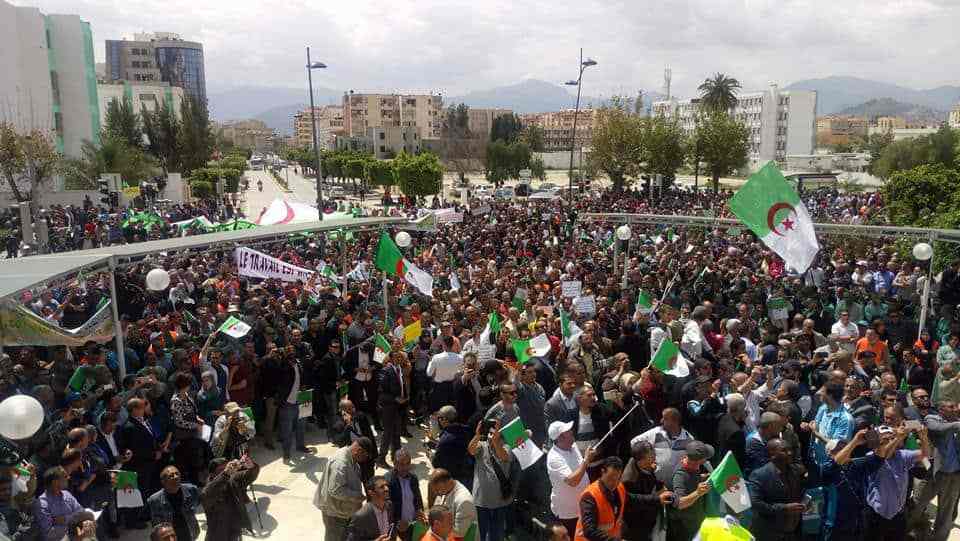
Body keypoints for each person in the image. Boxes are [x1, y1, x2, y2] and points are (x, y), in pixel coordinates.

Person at [865, 410, 930, 541]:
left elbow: (924, 455)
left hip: (898, 514)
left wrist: (923, 437)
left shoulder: (902, 455)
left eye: (891, 437)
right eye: (885, 439)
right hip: (877, 514)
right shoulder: (871, 458)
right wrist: (898, 437)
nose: (889, 441)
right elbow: (883, 456)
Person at [913, 400, 960, 541]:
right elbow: (938, 429)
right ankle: (910, 531)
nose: (955, 409)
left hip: (954, 475)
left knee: (946, 512)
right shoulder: (932, 418)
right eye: (951, 406)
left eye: (956, 407)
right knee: (918, 504)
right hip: (934, 473)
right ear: (941, 409)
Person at [316, 438, 377, 541]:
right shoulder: (341, 463)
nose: (365, 459)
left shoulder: (351, 458)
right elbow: (335, 490)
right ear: (359, 450)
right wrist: (357, 497)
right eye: (365, 456)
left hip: (343, 511)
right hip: (335, 514)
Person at [467, 418, 518, 541]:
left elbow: (503, 456)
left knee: (497, 533)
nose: (491, 431)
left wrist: (495, 441)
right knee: (481, 534)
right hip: (481, 501)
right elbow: (471, 450)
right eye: (489, 427)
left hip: (499, 501)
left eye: (495, 428)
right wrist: (477, 435)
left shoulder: (508, 445)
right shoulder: (481, 445)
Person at [746, 438, 806, 541]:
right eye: (784, 450)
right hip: (768, 534)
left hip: (792, 533)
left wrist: (803, 504)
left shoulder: (796, 471)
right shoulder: (759, 475)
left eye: (790, 449)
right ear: (772, 454)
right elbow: (756, 504)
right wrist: (784, 508)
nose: (790, 453)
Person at [546, 421, 596, 538]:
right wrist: (586, 460)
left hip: (582, 509)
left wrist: (587, 459)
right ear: (561, 437)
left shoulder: (573, 446)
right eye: (568, 431)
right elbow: (572, 481)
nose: (572, 431)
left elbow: (580, 468)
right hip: (568, 514)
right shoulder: (554, 458)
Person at [621, 439, 674, 541]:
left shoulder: (646, 466)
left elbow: (651, 478)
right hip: (638, 526)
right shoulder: (629, 480)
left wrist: (660, 486)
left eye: (653, 453)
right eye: (651, 456)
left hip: (651, 518)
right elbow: (633, 502)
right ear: (641, 461)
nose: (654, 457)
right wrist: (657, 497)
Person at [200, 454, 260, 541]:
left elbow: (249, 475)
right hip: (218, 533)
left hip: (234, 527)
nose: (228, 471)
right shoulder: (209, 488)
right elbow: (206, 494)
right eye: (222, 470)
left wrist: (252, 466)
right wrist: (225, 474)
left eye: (227, 468)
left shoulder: (232, 480)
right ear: (212, 474)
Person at [666, 441, 714, 541]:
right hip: (685, 526)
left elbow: (692, 479)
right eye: (704, 458)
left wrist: (703, 478)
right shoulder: (680, 476)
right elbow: (680, 503)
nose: (706, 460)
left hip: (697, 519)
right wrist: (698, 493)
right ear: (698, 461)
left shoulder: (693, 467)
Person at [32, 467, 87, 541]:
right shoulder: (41, 504)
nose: (68, 477)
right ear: (55, 482)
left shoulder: (67, 494)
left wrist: (65, 519)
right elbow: (49, 533)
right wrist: (75, 526)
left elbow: (82, 512)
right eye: (65, 476)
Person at [147, 466, 201, 541]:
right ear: (163, 481)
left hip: (190, 532)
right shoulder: (154, 500)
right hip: (169, 536)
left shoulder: (192, 490)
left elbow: (198, 502)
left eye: (177, 474)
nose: (176, 477)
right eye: (171, 476)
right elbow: (156, 525)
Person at [386, 448, 425, 540]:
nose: (405, 467)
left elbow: (417, 497)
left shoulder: (413, 478)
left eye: (408, 464)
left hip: (412, 523)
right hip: (396, 525)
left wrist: (420, 510)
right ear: (395, 464)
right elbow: (386, 507)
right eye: (401, 464)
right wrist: (397, 522)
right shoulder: (388, 481)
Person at [428, 469, 476, 541]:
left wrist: (437, 528)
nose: (437, 493)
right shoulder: (445, 490)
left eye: (438, 490)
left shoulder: (464, 501)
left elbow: (459, 533)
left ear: (447, 482)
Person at [377, 351, 406, 469]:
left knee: (397, 434)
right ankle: (380, 459)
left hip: (398, 408)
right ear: (390, 358)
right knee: (387, 434)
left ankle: (396, 458)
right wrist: (395, 398)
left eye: (400, 356)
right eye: (396, 357)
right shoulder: (386, 370)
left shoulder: (399, 369)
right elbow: (381, 392)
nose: (399, 358)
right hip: (388, 408)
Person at [346, 476, 396, 541]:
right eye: (382, 487)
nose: (387, 489)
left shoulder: (389, 506)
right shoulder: (361, 516)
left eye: (386, 485)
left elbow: (391, 528)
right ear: (371, 493)